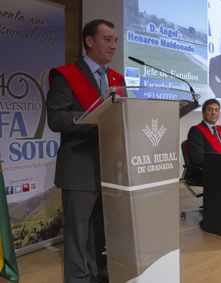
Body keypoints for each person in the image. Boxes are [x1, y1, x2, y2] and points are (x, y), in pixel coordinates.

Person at [46, 19, 125, 283]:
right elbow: (56, 119)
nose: (114, 45)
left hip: (109, 165)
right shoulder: (66, 75)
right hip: (79, 165)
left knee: (101, 228)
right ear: (89, 41)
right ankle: (77, 278)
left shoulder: (117, 79)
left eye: (115, 40)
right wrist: (97, 119)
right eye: (107, 39)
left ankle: (99, 273)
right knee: (78, 231)